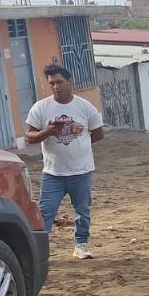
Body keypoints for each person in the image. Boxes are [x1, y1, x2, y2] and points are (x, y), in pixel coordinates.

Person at [25, 64, 105, 260]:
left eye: (59, 82)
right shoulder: (40, 108)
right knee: (45, 213)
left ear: (70, 82)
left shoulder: (85, 107)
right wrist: (49, 132)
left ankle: (81, 245)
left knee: (82, 211)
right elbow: (29, 137)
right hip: (53, 173)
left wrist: (80, 145)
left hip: (81, 171)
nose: (55, 87)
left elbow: (98, 134)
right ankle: (40, 253)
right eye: (51, 83)